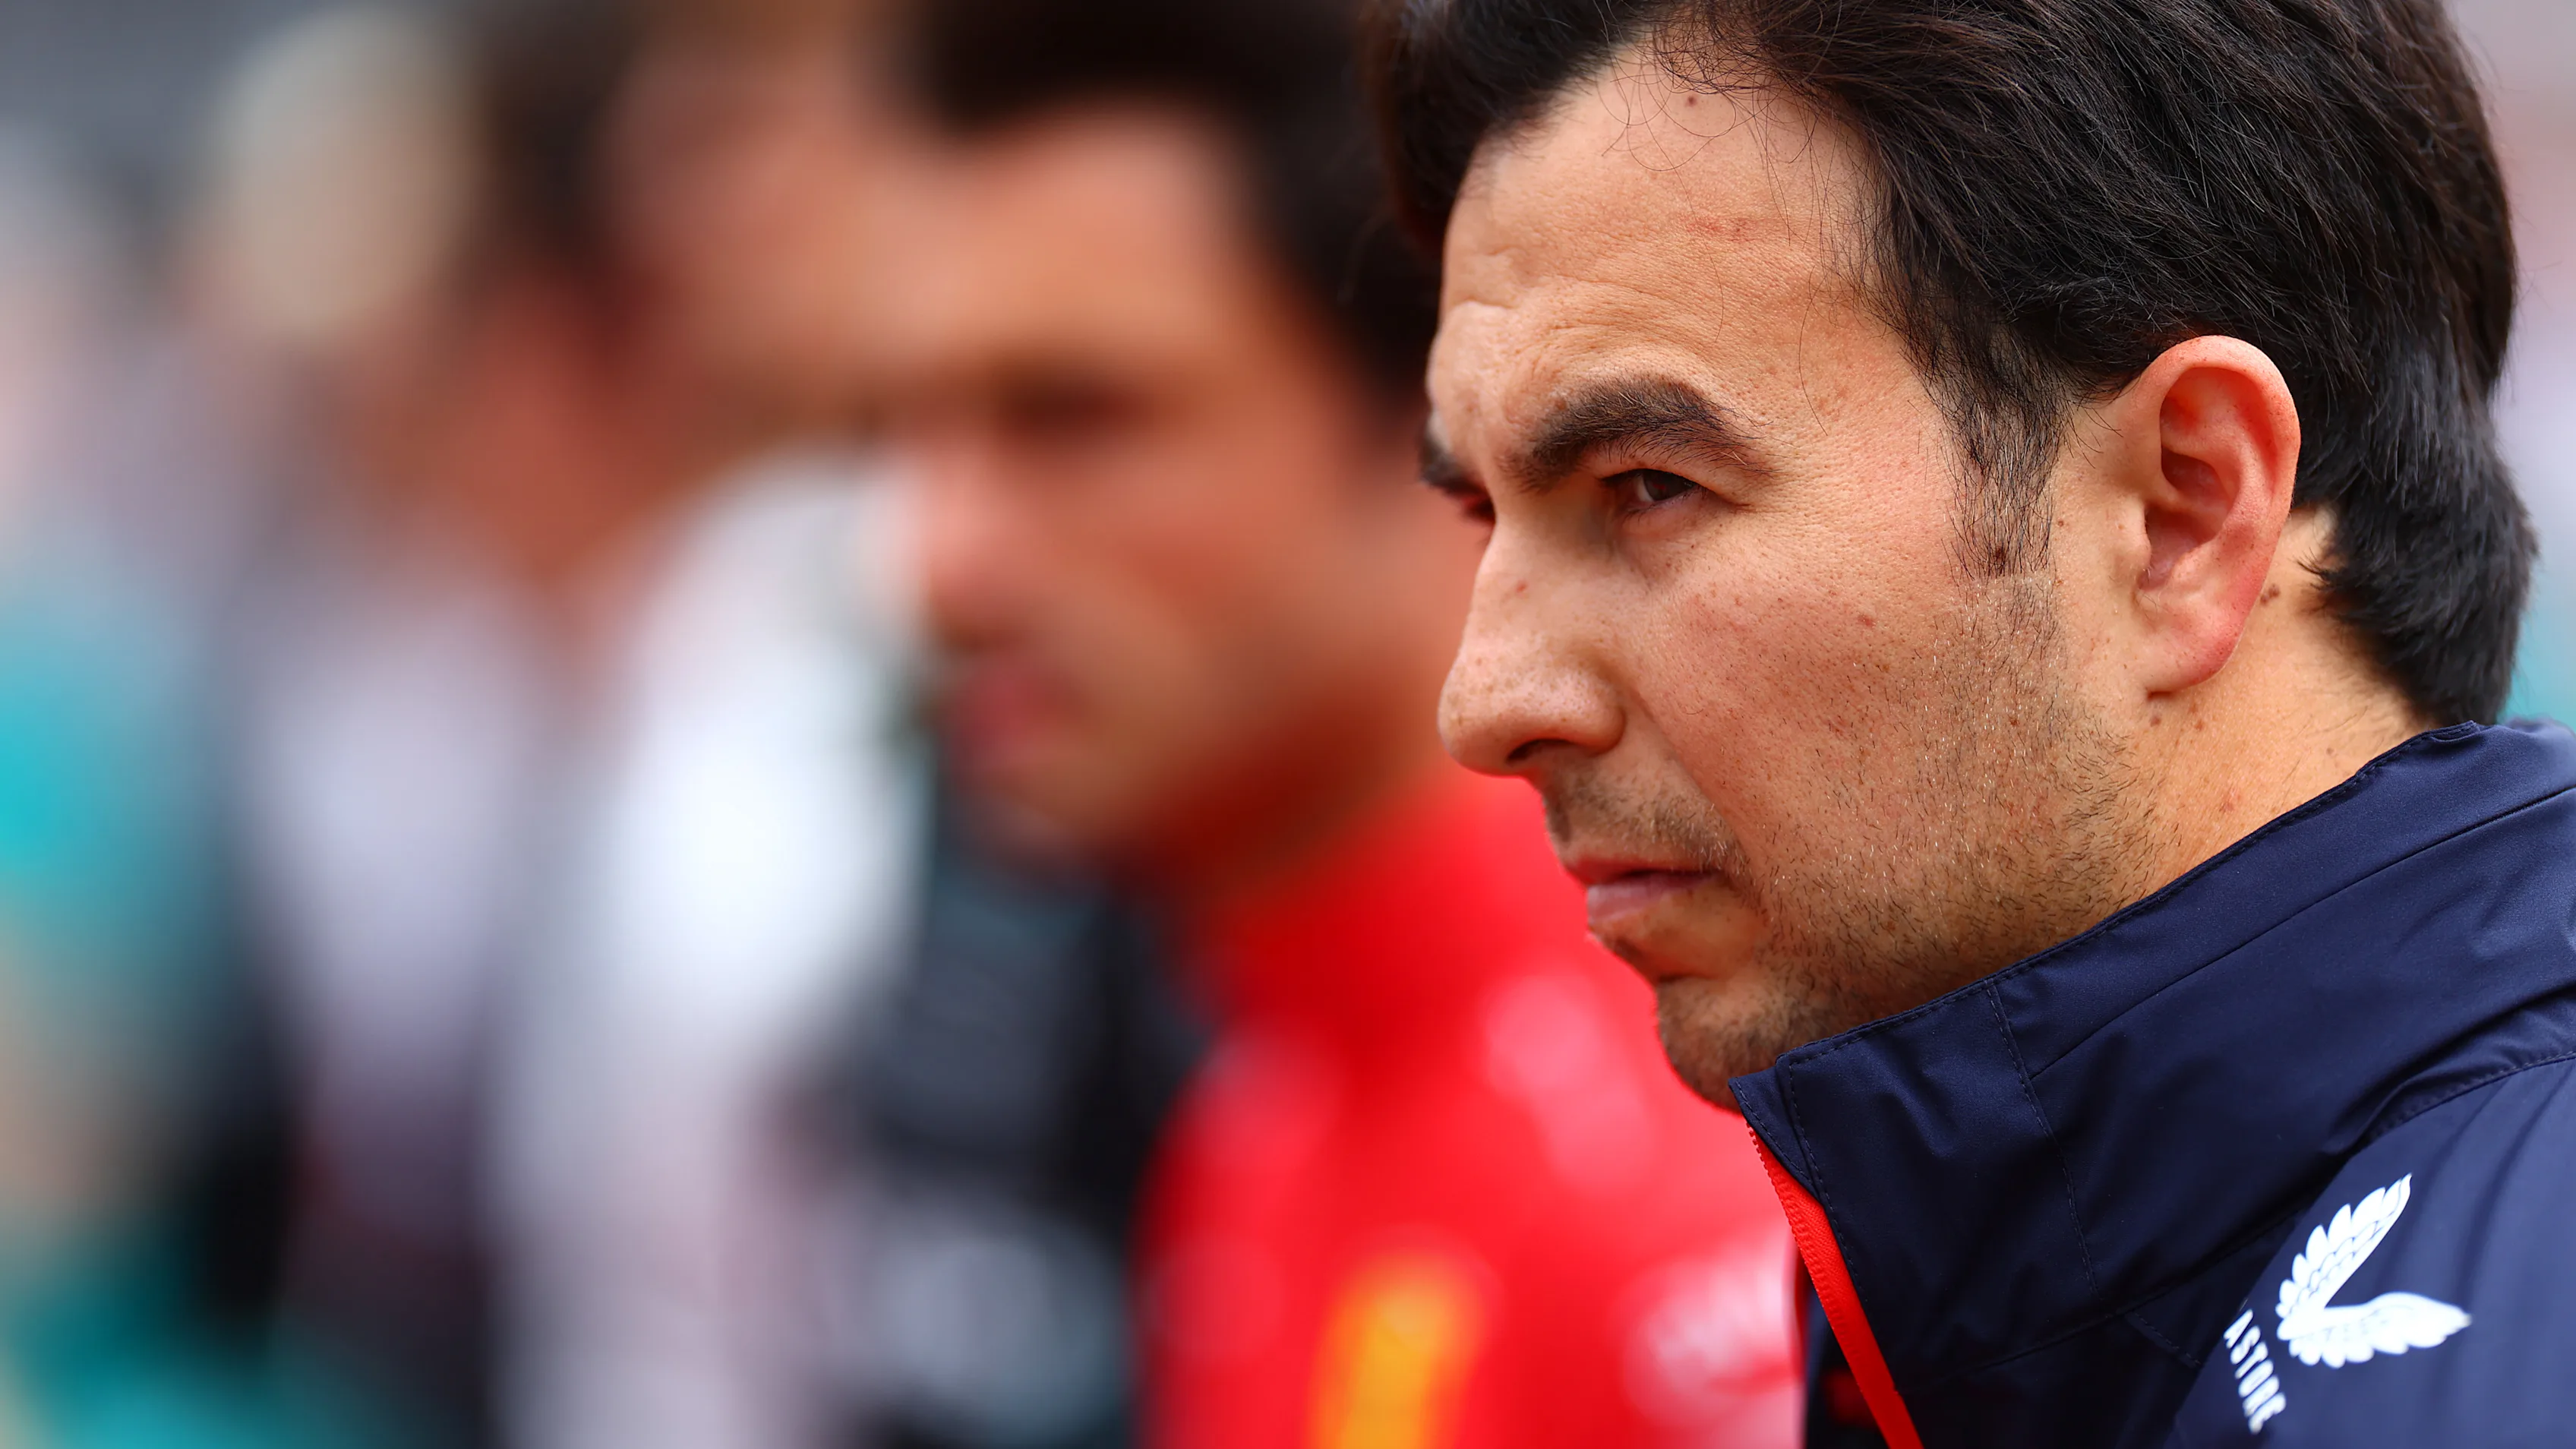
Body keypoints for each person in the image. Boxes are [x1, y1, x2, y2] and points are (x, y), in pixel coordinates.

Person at [1362, 0, 2562, 1444]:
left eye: (1645, 486)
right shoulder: (1981, 1292)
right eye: (1483, 513)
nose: (1484, 704)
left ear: (2181, 511)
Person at [878, 0, 1803, 1444]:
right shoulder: (1260, 1111)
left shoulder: (1704, 1145)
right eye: (906, 432)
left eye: (1076, 417)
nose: (943, 566)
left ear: (1428, 414)